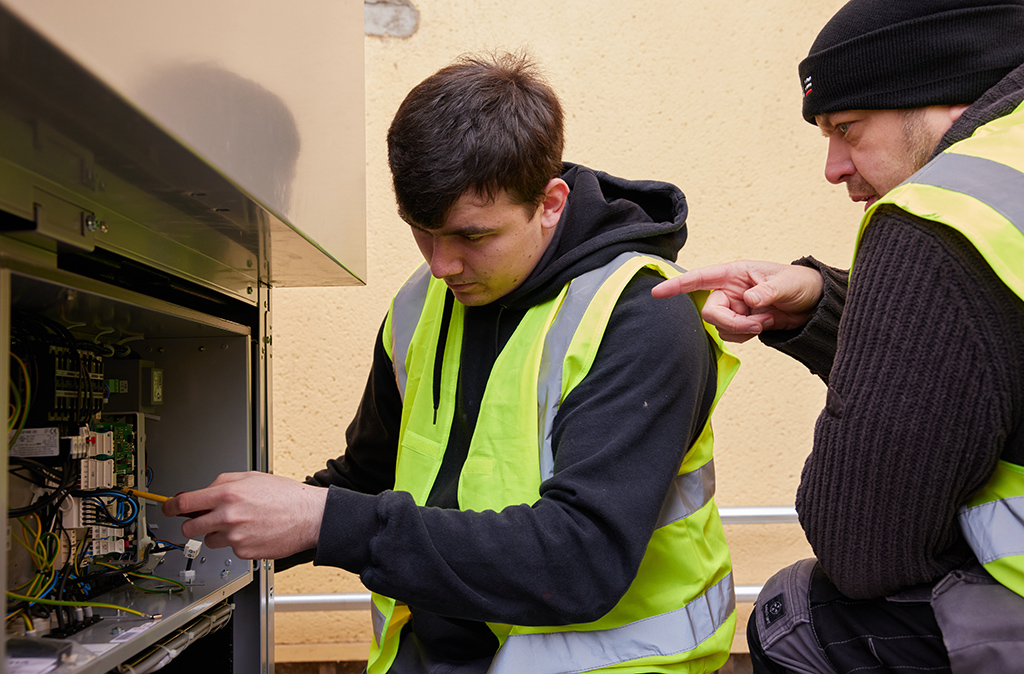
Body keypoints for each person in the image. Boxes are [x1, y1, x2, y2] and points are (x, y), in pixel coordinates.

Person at [164, 52, 741, 673]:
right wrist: (252, 516)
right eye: (421, 230)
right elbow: (369, 477)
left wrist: (323, 522)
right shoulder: (420, 304)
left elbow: (581, 558)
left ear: (550, 202)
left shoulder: (641, 314)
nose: (441, 265)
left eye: (472, 236)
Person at [652, 1, 1024, 672]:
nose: (833, 166)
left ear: (940, 93)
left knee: (799, 613)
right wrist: (829, 303)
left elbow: (865, 544)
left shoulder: (942, 214)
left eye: (847, 128)